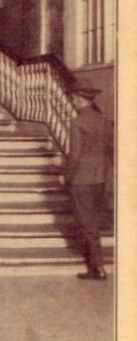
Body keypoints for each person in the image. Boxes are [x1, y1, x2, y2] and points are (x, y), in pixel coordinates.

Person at [62, 76, 113, 281]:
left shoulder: (77, 122)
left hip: (81, 180)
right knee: (93, 222)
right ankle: (95, 266)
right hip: (100, 178)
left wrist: (67, 177)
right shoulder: (104, 121)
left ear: (79, 99)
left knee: (87, 224)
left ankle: (98, 268)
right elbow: (110, 150)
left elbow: (74, 156)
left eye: (73, 99)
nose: (72, 102)